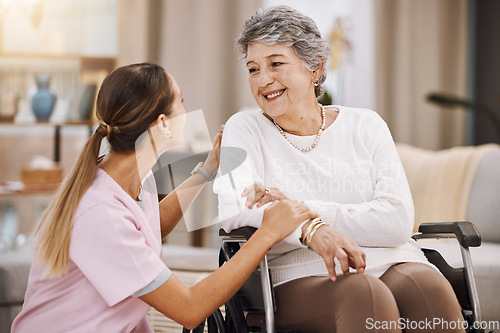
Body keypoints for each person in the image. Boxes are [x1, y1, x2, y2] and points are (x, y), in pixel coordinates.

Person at [11, 63, 317, 332]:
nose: (187, 112)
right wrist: (266, 234)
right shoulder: (101, 211)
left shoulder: (124, 173)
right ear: (161, 124)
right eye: (180, 102)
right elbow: (189, 310)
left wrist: (209, 167)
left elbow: (150, 225)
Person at [214, 6, 465, 333]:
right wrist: (312, 231)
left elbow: (397, 220)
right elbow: (234, 208)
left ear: (315, 67)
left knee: (431, 291)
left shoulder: (367, 124)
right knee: (363, 294)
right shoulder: (242, 127)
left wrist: (302, 211)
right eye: (253, 69)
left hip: (395, 259)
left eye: (276, 63)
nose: (263, 80)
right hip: (299, 273)